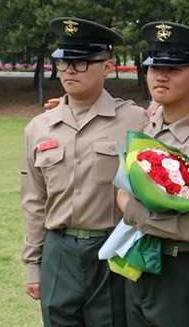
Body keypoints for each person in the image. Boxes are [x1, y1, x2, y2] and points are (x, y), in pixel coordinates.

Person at [21, 17, 147, 327]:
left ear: (107, 65)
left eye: (81, 63)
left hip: (113, 249)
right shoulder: (39, 128)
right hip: (59, 250)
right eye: (63, 63)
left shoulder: (137, 120)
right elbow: (34, 201)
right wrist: (34, 265)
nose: (69, 72)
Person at [116, 21, 189, 326]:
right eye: (155, 68)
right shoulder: (147, 128)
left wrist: (132, 210)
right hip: (140, 264)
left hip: (182, 269)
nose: (160, 76)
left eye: (174, 69)